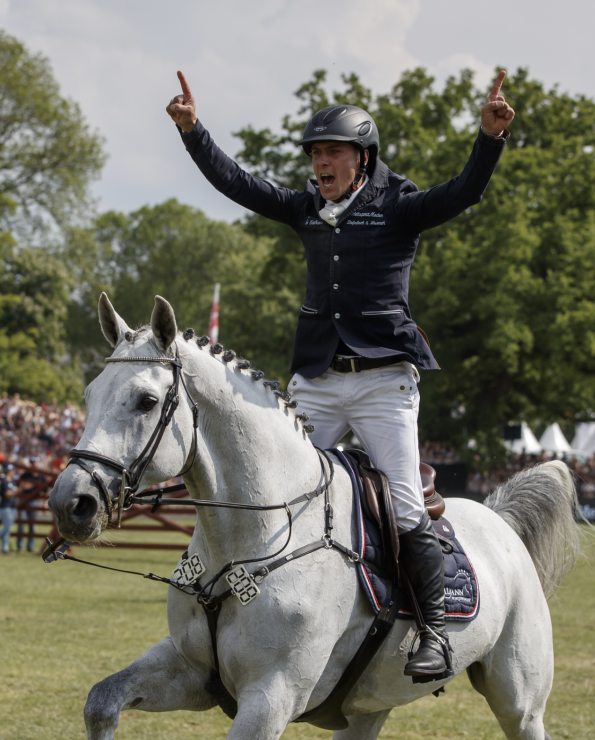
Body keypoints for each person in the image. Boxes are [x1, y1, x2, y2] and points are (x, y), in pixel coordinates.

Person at [167, 70, 514, 677]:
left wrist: (488, 140)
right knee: (265, 488)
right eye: (315, 153)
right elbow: (242, 186)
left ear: (363, 157)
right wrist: (194, 133)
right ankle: (228, 600)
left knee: (405, 505)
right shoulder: (306, 207)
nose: (320, 163)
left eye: (331, 152)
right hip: (319, 381)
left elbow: (462, 193)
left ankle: (432, 631)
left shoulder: (398, 206)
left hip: (383, 383)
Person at [0, 465, 19, 553]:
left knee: (8, 529)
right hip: (5, 507)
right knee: (7, 528)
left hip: (12, 507)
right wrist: (20, 490)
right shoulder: (4, 482)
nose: (13, 471)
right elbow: (8, 494)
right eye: (11, 470)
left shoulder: (12, 481)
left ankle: (4, 548)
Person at [17, 459, 42, 553]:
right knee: (21, 524)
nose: (33, 465)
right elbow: (19, 486)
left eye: (35, 463)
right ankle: (20, 546)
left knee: (32, 525)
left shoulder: (41, 476)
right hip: (23, 501)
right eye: (32, 463)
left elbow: (46, 489)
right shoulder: (25, 475)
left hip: (34, 502)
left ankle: (30, 547)